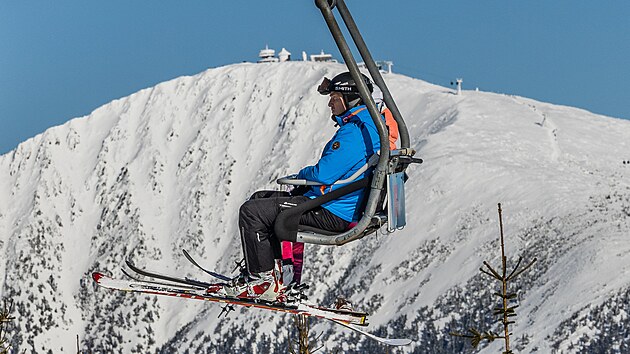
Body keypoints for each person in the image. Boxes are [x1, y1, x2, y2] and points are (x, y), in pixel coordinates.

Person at [223, 72, 382, 302]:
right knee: (260, 198)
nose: (330, 103)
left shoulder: (355, 132)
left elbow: (322, 174)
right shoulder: (367, 126)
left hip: (332, 211)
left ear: (351, 99)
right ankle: (280, 277)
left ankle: (262, 280)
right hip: (339, 204)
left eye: (335, 98)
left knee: (252, 212)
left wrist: (301, 175)